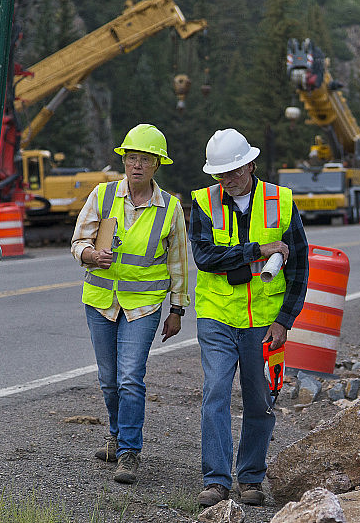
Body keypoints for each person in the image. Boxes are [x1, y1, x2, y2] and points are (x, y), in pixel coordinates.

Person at [189, 128, 309, 507]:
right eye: (221, 174)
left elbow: (300, 268)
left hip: (264, 321)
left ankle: (252, 478)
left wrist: (284, 321)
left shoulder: (281, 201)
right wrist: (256, 250)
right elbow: (205, 257)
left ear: (250, 164)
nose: (228, 180)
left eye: (234, 171)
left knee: (259, 400)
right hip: (217, 316)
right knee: (216, 393)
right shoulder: (205, 203)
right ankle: (217, 480)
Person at [71, 123, 190, 484]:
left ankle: (128, 453)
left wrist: (178, 309)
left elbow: (179, 262)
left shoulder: (170, 208)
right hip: (101, 301)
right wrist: (91, 255)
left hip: (143, 305)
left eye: (145, 160)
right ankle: (115, 435)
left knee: (129, 378)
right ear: (124, 160)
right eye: (132, 158)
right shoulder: (102, 196)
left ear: (157, 165)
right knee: (109, 380)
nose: (136, 165)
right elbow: (78, 242)